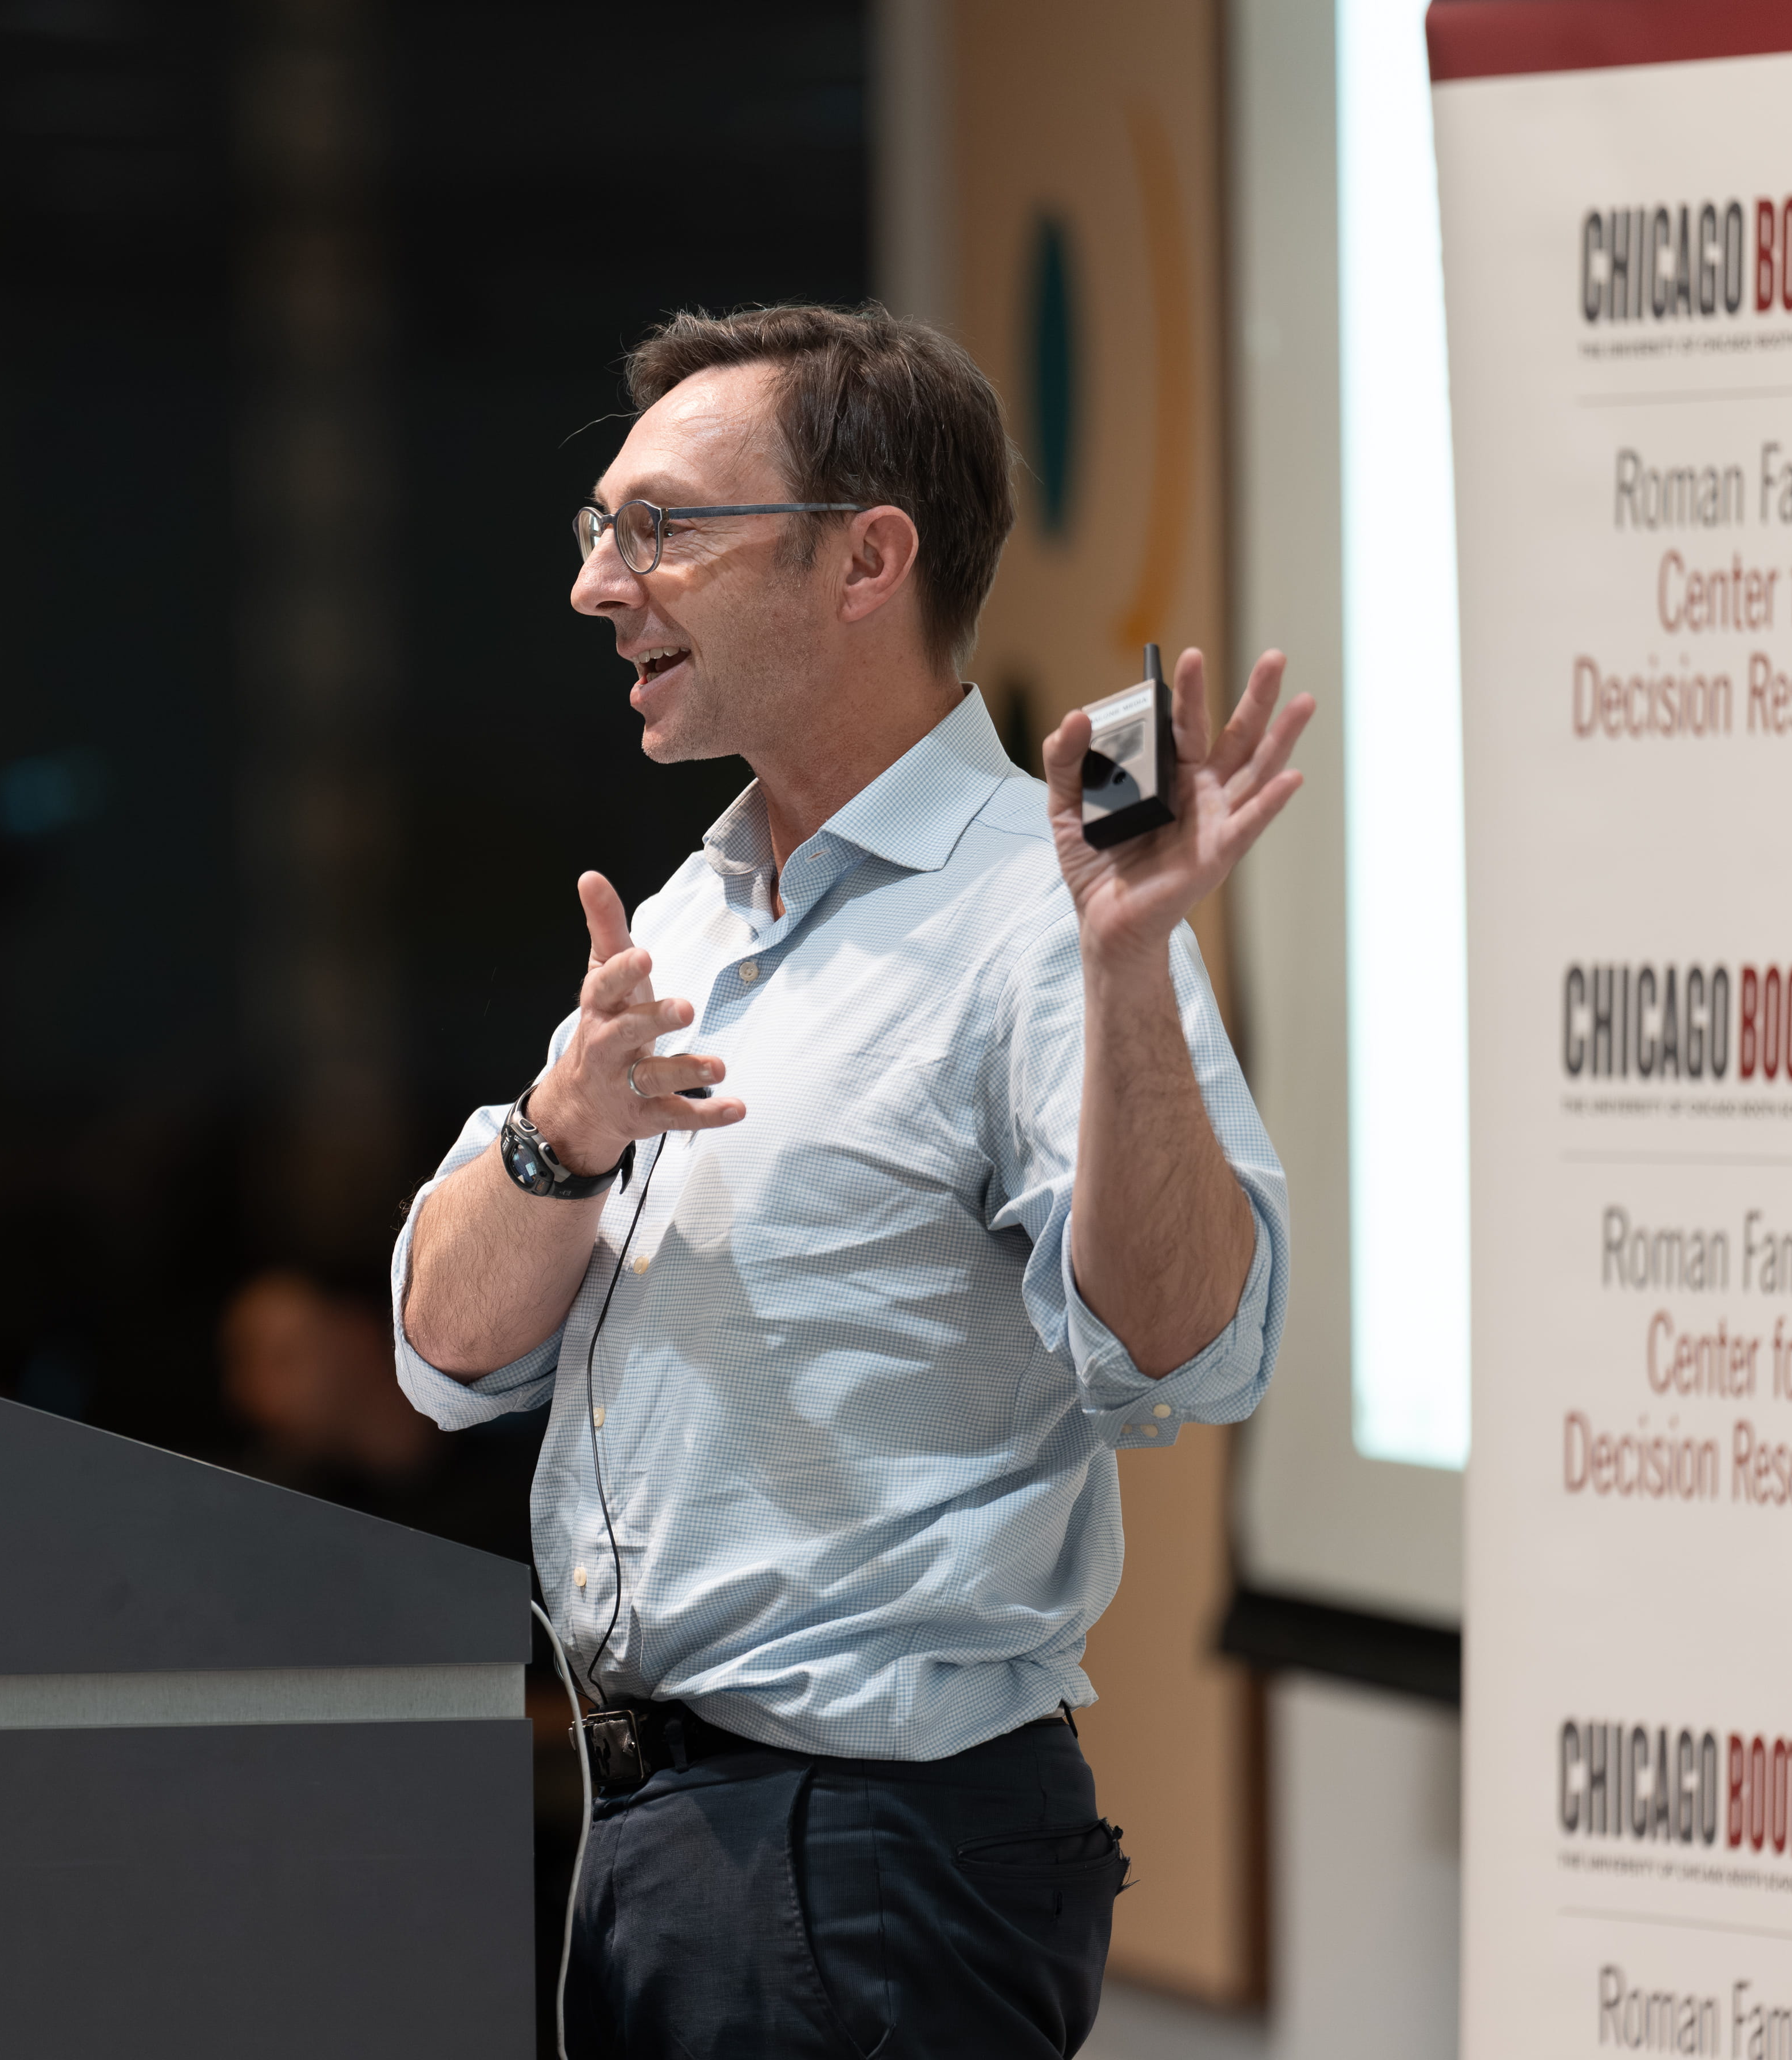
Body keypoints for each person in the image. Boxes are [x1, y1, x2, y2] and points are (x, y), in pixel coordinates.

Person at [388, 304, 1313, 2058]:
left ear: (867, 559)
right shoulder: (688, 912)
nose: (600, 585)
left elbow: (1202, 1349)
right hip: (656, 1829)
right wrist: (556, 1134)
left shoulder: (1037, 915)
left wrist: (1126, 976)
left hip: (870, 1853)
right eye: (600, 530)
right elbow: (442, 1353)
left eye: (662, 528)